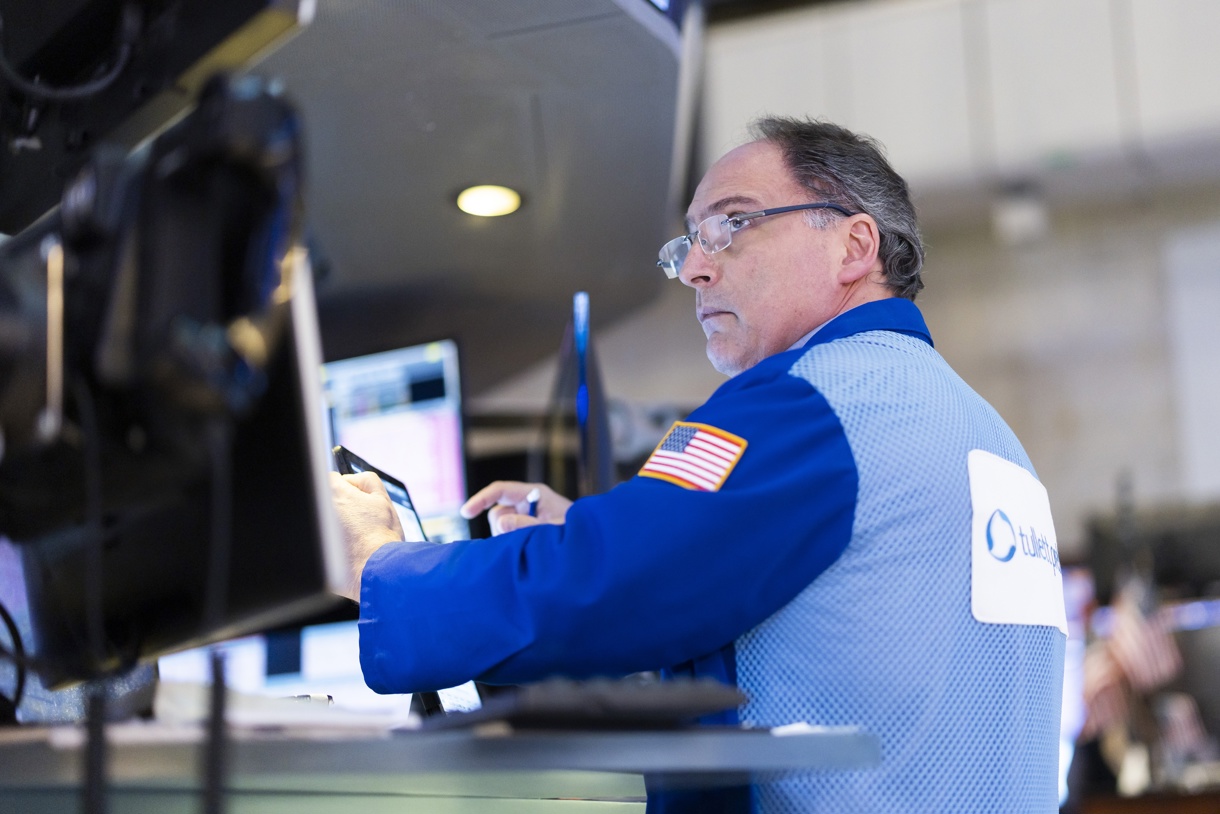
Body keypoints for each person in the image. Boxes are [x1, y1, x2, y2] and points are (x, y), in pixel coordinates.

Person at [331, 117, 1067, 813]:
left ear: (853, 246)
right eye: (688, 243)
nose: (695, 270)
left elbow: (607, 585)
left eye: (731, 227)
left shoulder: (805, 403)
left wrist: (383, 567)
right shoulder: (987, 436)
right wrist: (615, 523)